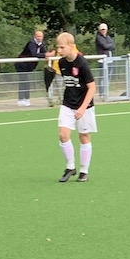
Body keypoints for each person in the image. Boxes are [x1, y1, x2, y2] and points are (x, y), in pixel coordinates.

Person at [54, 32, 97, 183]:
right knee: (63, 134)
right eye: (58, 47)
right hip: (68, 104)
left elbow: (92, 87)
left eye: (62, 47)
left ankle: (84, 170)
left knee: (84, 137)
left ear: (71, 46)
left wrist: (82, 108)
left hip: (84, 106)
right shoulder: (61, 62)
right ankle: (70, 167)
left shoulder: (82, 63)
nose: (59, 50)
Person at [15, 30, 45, 106]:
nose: (39, 38)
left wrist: (47, 55)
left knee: (26, 81)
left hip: (28, 66)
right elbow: (34, 54)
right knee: (24, 81)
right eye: (38, 36)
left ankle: (26, 99)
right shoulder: (31, 43)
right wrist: (46, 55)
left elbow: (43, 53)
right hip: (21, 64)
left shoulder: (42, 44)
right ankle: (21, 99)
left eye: (41, 36)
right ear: (34, 36)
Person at [95, 22, 116, 94]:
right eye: (102, 29)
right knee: (102, 77)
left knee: (108, 76)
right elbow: (105, 46)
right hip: (102, 60)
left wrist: (109, 46)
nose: (103, 31)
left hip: (110, 60)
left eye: (104, 29)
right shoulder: (98, 37)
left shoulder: (108, 37)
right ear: (100, 30)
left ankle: (106, 91)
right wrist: (109, 45)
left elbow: (113, 46)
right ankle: (102, 93)